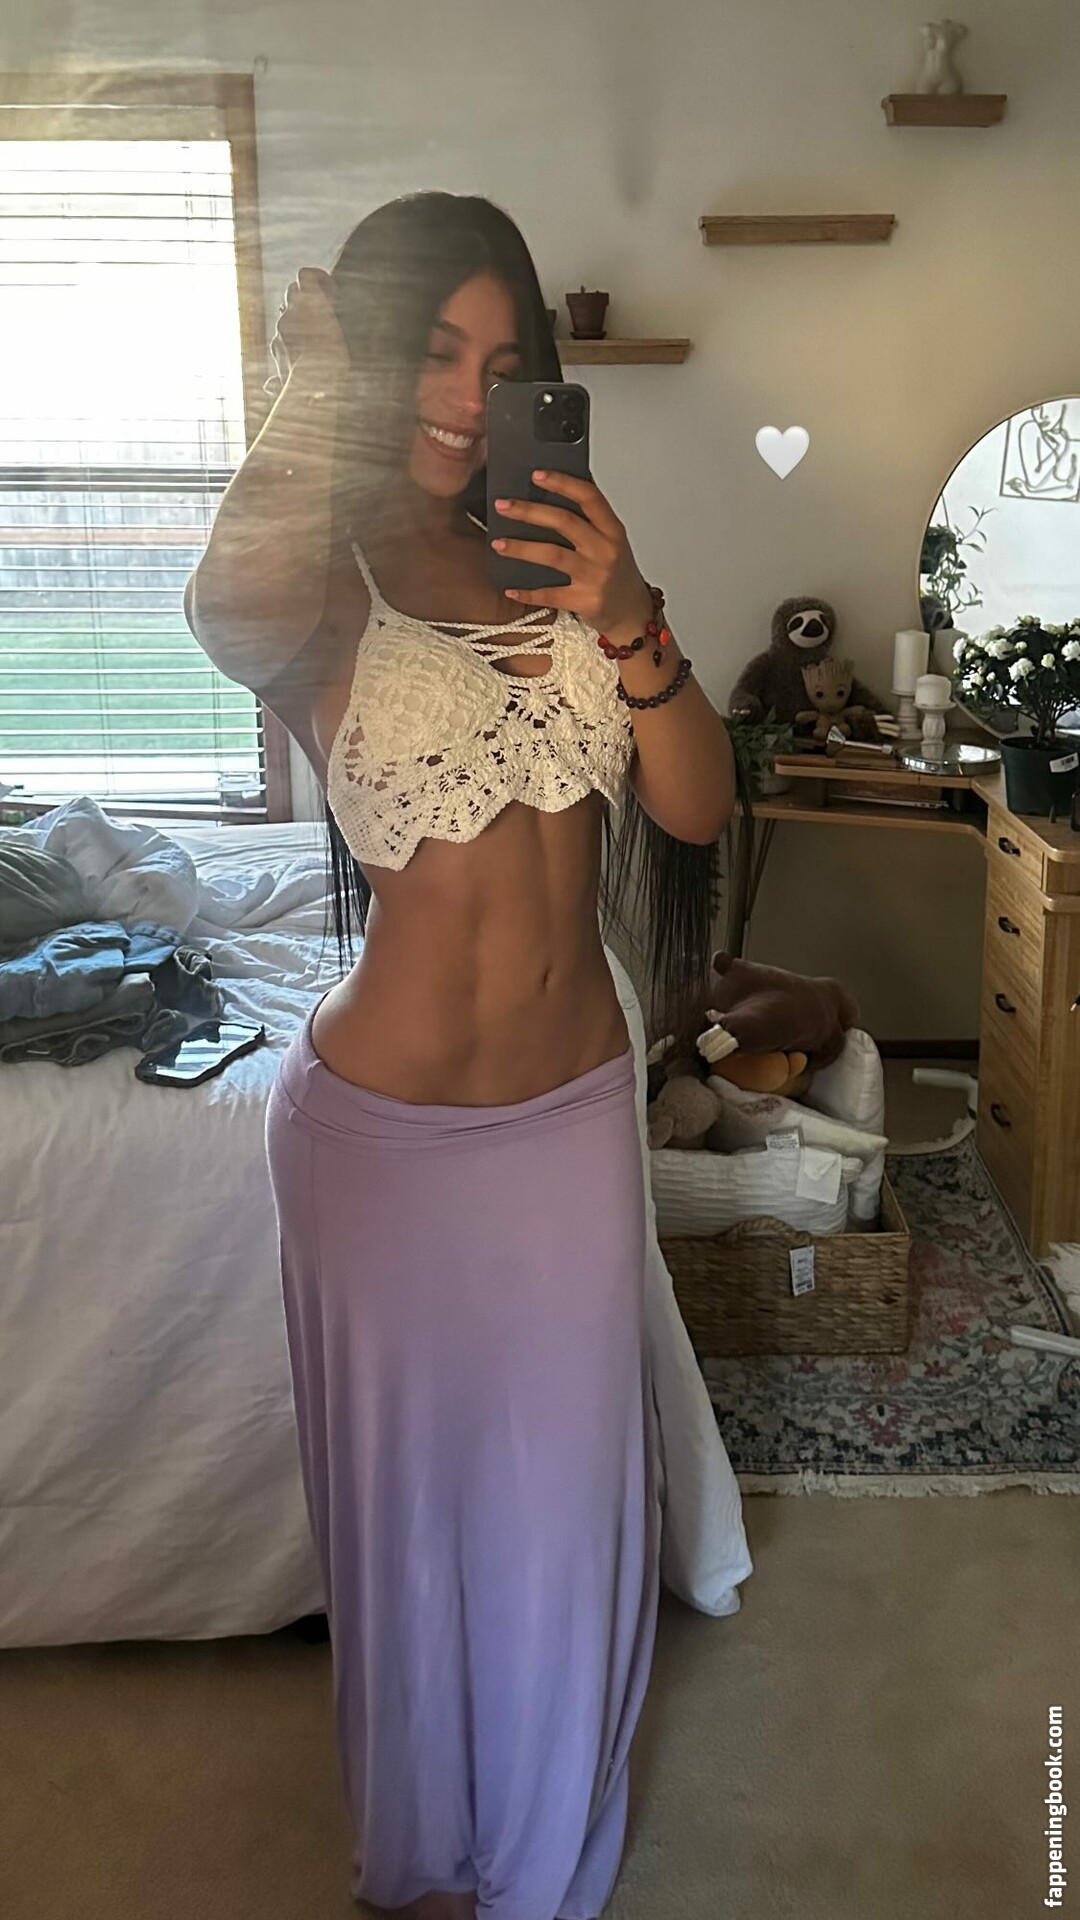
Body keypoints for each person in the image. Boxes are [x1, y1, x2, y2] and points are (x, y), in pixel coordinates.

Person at [184, 191, 737, 1920]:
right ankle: (427, 1853)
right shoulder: (325, 575)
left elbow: (694, 804)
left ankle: (544, 1865)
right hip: (383, 1146)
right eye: (431, 354)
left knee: (567, 1514)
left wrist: (632, 611)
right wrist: (312, 382)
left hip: (569, 1122)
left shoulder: (570, 563)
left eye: (501, 367)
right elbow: (219, 611)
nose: (465, 398)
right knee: (409, 1530)